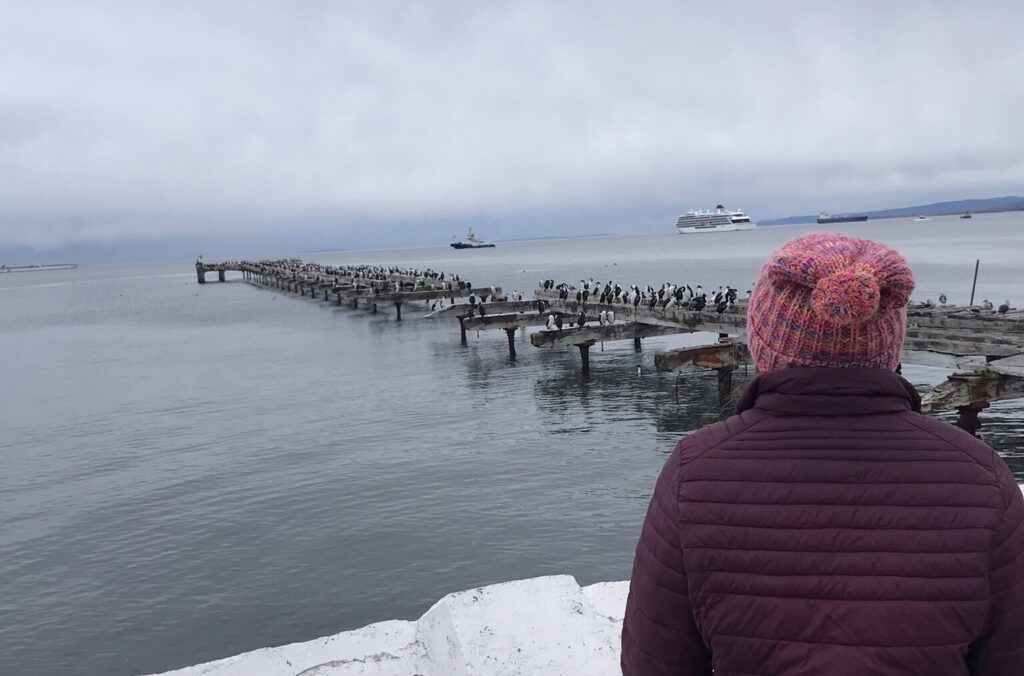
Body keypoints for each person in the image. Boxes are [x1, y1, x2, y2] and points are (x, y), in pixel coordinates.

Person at [621, 232, 1024, 675]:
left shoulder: (692, 471)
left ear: (763, 340)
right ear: (889, 345)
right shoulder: (983, 476)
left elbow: (653, 661)